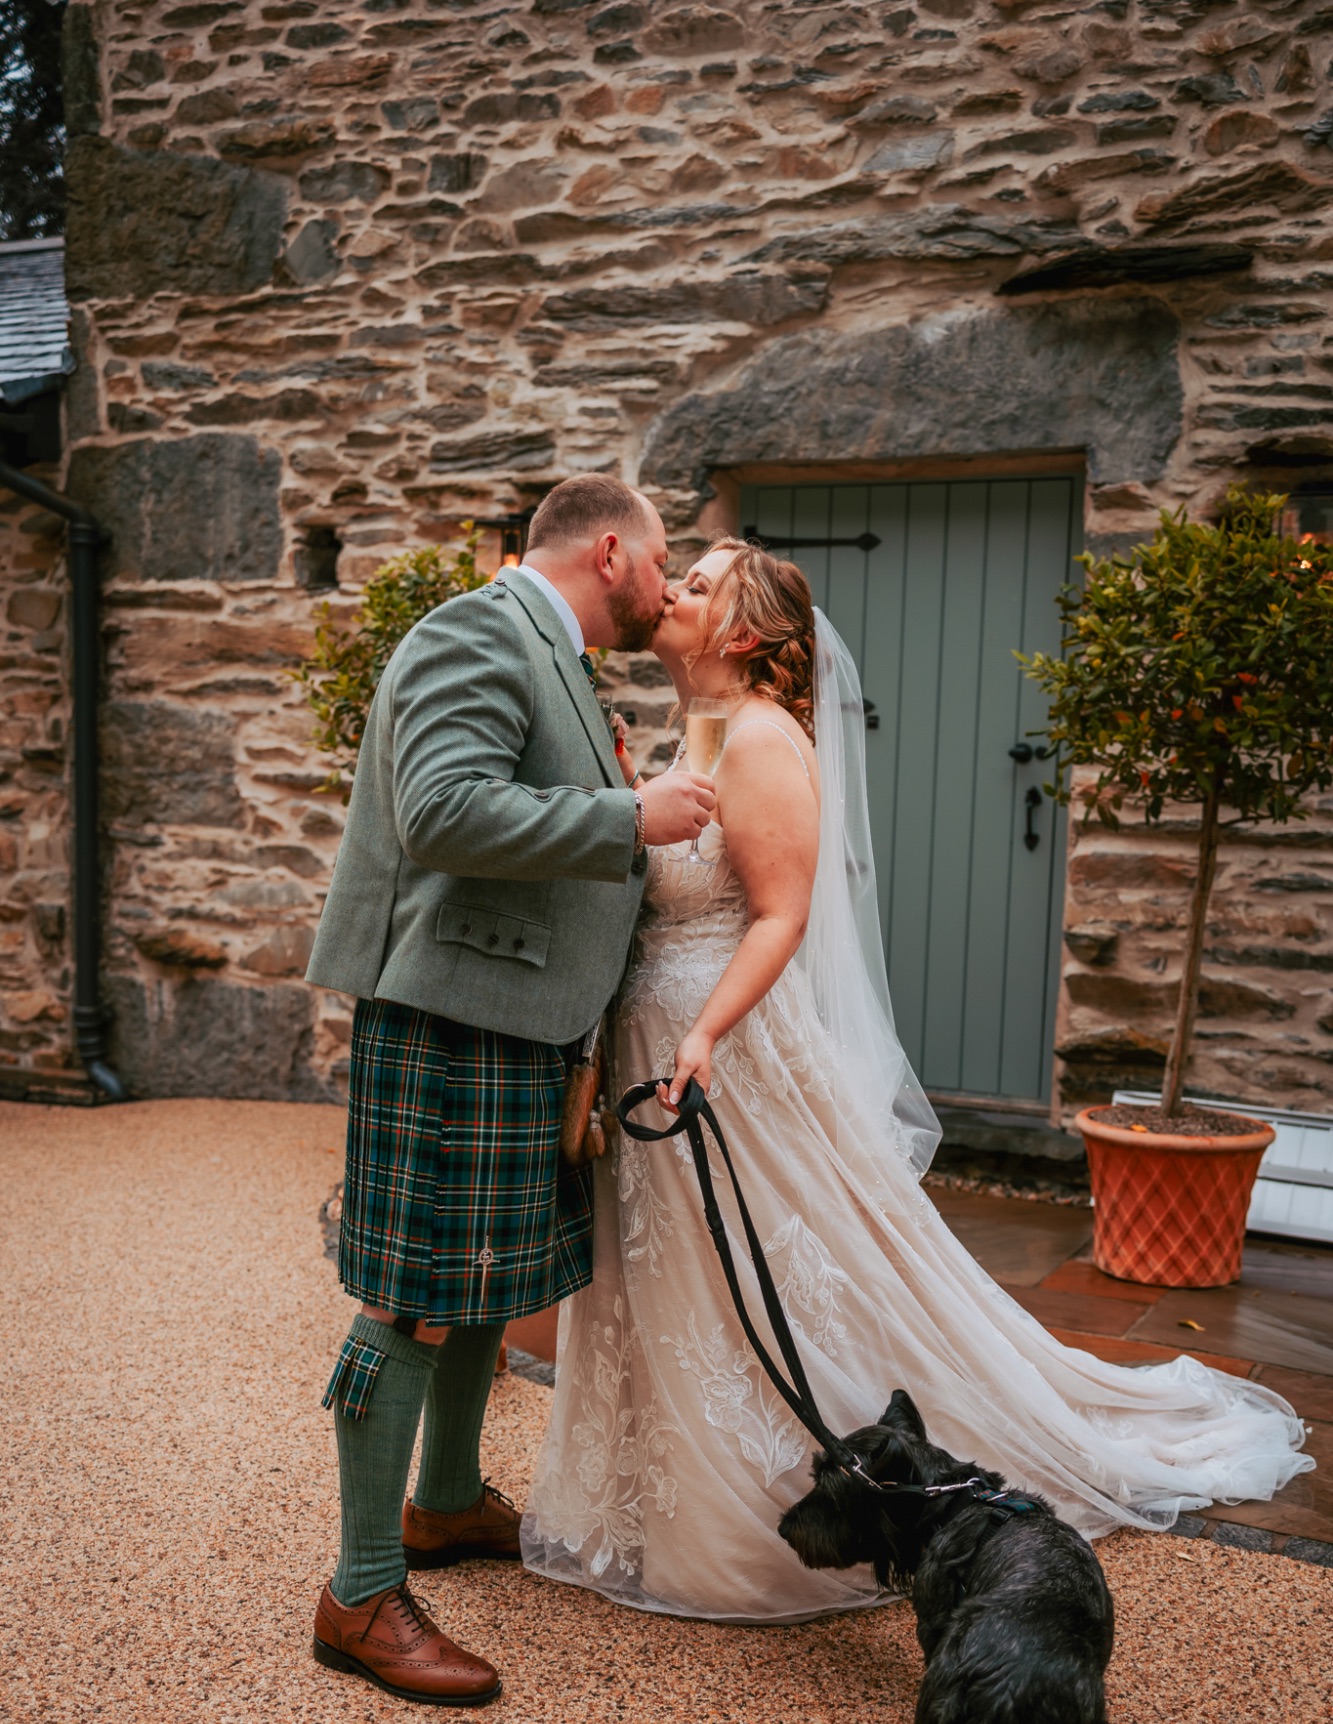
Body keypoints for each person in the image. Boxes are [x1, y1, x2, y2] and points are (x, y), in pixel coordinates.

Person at [521, 539, 1313, 1624]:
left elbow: (780, 916)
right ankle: (665, 1505)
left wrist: (701, 1033)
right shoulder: (696, 729)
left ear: (744, 636)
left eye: (698, 584)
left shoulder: (759, 739)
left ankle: (760, 1523)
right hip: (655, 1028)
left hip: (717, 1042)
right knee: (682, 1276)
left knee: (761, 1271)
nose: (672, 590)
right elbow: (676, 868)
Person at [303, 476, 719, 1703]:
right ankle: (361, 1587)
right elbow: (442, 811)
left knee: (486, 1282)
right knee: (412, 1295)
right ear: (611, 551)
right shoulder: (477, 628)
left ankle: (438, 1505)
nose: (665, 584)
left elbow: (525, 805)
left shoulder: (553, 654)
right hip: (452, 1022)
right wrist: (626, 814)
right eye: (662, 563)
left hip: (523, 1024)